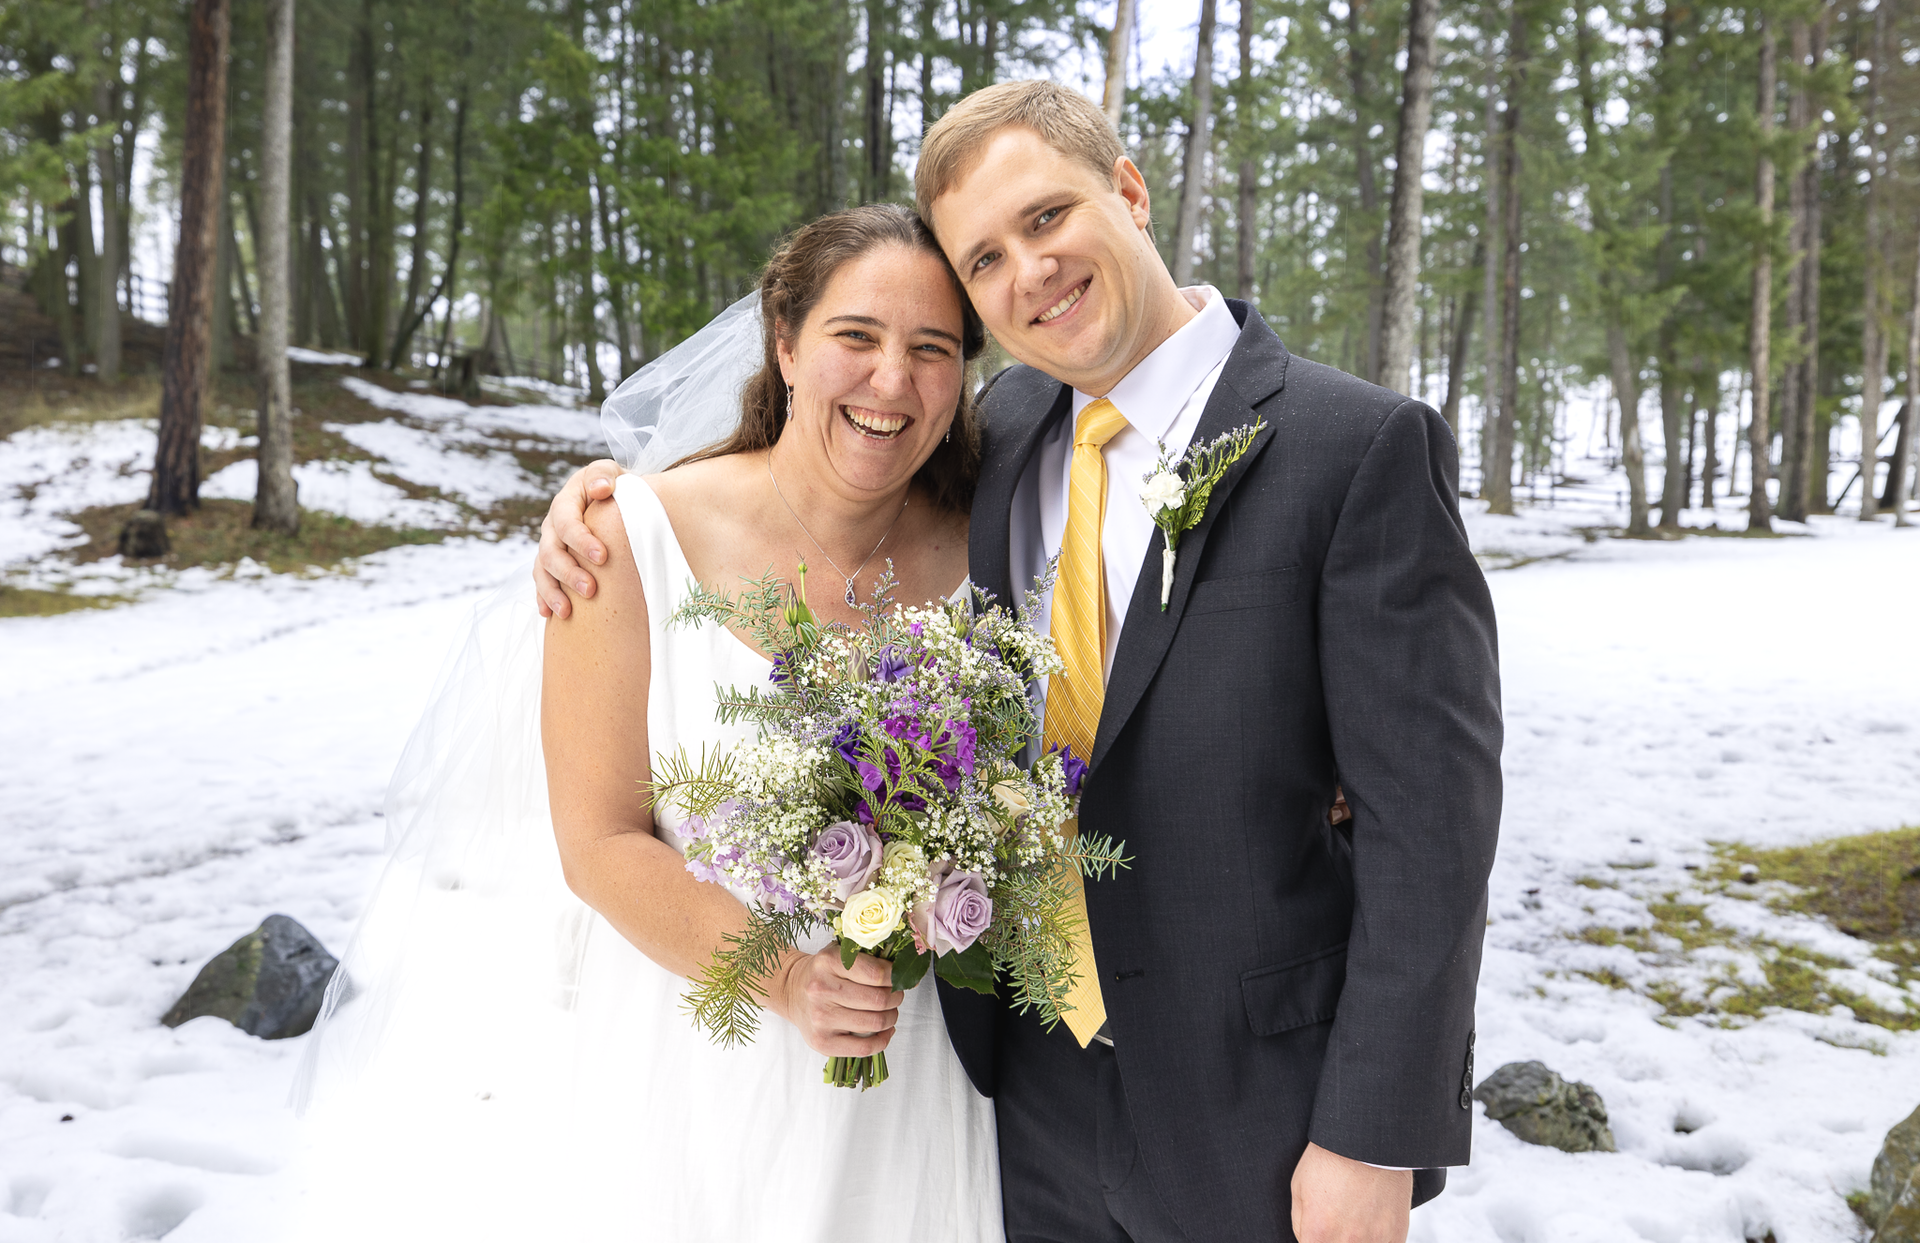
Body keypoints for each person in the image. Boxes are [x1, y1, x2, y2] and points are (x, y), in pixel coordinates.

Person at [537, 81, 1503, 1243]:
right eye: (984, 258)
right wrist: (598, 498)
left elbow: (1432, 828)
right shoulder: (1010, 439)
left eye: (1047, 218)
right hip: (1018, 1097)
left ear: (1129, 190)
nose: (1028, 272)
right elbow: (824, 463)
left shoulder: (1356, 448)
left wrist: (1372, 1133)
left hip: (1258, 1108)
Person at [290, 205, 1002, 1243]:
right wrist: (792, 979)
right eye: (857, 337)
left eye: (932, 349)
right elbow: (599, 842)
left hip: (924, 1079)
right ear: (786, 340)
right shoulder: (628, 539)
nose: (893, 380)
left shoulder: (1000, 541)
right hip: (701, 1077)